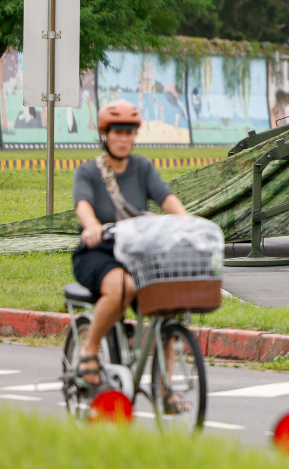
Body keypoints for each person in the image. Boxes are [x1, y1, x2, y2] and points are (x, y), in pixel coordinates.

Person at [72, 99, 187, 386]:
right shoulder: (88, 171)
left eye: (129, 133)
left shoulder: (142, 167)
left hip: (136, 253)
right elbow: (82, 203)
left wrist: (187, 221)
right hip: (98, 251)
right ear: (104, 135)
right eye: (117, 132)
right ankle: (89, 350)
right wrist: (92, 225)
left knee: (167, 306)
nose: (123, 139)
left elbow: (166, 197)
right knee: (122, 286)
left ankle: (166, 389)